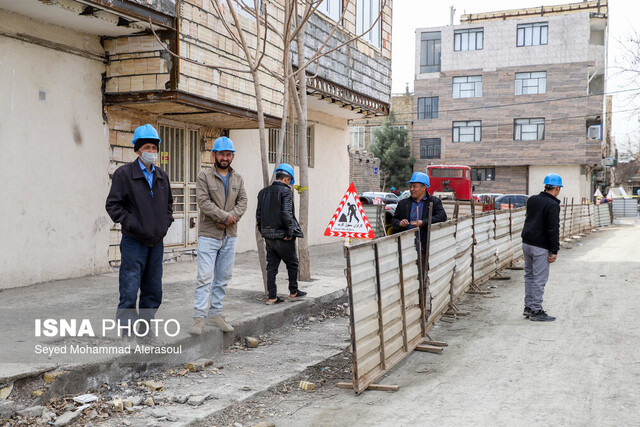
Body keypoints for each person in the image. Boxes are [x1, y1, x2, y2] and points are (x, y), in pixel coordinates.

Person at [105, 124, 173, 340]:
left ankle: (145, 330)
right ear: (137, 150)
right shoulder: (124, 174)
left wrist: (165, 223)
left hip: (156, 242)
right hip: (134, 241)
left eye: (154, 147)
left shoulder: (162, 175)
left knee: (153, 290)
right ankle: (126, 332)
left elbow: (170, 205)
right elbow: (113, 205)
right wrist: (132, 223)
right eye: (147, 147)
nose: (151, 151)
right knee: (129, 288)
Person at [189, 136, 247, 335]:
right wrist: (224, 216)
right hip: (209, 234)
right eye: (222, 154)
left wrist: (232, 217)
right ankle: (199, 318)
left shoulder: (238, 178)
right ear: (214, 155)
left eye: (228, 154)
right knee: (205, 276)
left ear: (232, 157)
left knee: (223, 277)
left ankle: (216, 313)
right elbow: (203, 202)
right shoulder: (204, 177)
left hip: (230, 235)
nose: (225, 157)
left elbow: (243, 201)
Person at [256, 163, 305, 304]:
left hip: (269, 237)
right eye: (290, 181)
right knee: (292, 264)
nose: (289, 184)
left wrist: (264, 232)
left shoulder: (262, 192)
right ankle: (293, 291)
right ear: (286, 179)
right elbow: (286, 213)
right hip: (283, 236)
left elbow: (258, 216)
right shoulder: (286, 192)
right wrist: (290, 232)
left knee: (271, 267)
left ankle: (272, 297)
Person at [521, 173, 562, 322]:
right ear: (557, 188)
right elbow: (553, 229)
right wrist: (554, 250)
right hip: (540, 246)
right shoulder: (552, 205)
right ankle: (536, 310)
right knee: (539, 279)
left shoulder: (533, 199)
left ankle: (528, 307)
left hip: (527, 243)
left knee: (529, 275)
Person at [391, 172, 447, 264]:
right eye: (411, 187)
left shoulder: (434, 202)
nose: (411, 189)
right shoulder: (403, 203)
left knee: (422, 269)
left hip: (425, 245)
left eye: (414, 186)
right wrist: (400, 223)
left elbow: (442, 217)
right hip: (406, 245)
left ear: (424, 188)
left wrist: (423, 222)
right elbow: (394, 220)